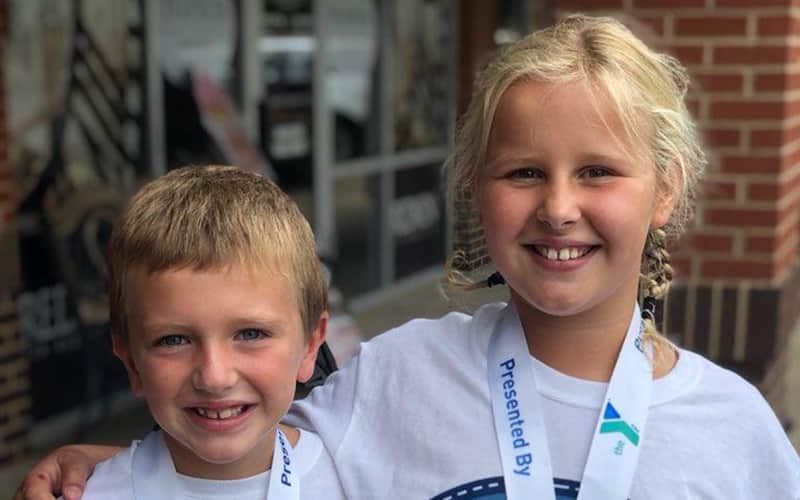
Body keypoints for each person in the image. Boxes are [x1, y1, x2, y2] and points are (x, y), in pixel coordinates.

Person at [17, 14, 800, 500]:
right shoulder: (394, 379)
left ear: (666, 189)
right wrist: (112, 470)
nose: (559, 206)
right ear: (476, 191)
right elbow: (237, 452)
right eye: (524, 173)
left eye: (597, 171)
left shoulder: (735, 429)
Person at [50, 165, 345, 499]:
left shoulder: (357, 479)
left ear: (310, 345)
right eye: (174, 340)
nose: (215, 378)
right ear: (131, 362)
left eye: (251, 334)